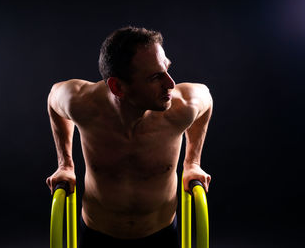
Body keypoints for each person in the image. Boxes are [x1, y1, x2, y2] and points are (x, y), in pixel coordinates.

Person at [46, 26, 212, 248]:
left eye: (167, 69)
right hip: (99, 234)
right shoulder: (83, 104)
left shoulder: (182, 107)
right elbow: (53, 100)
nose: (171, 84)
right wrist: (65, 164)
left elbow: (207, 100)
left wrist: (193, 163)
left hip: (160, 234)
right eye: (155, 77)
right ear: (117, 87)